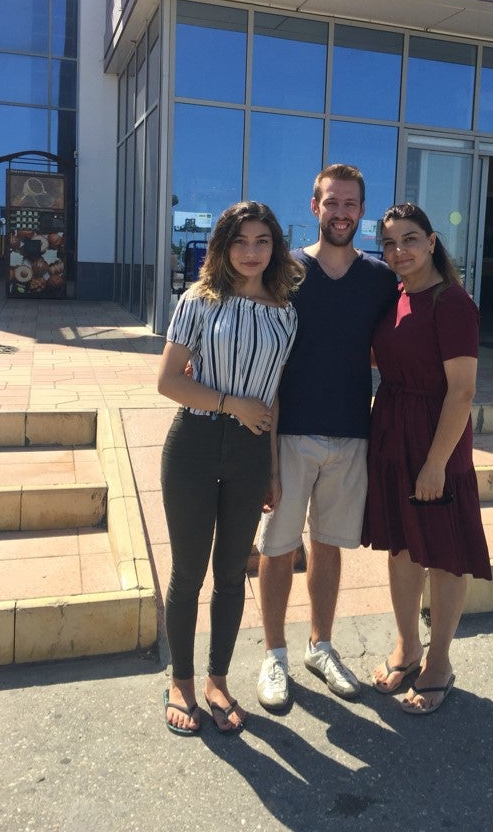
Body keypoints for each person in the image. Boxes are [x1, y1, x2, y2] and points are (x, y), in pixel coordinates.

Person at [255, 164, 398, 712]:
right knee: (277, 547)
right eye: (331, 203)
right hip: (290, 431)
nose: (341, 213)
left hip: (352, 433)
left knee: (331, 545)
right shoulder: (284, 272)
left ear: (362, 211)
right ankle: (274, 655)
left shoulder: (381, 279)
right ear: (313, 206)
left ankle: (321, 646)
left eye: (351, 204)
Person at [157, 201, 303, 735]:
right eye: (240, 241)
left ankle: (218, 679)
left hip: (249, 453)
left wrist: (273, 470)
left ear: (275, 248)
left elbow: (275, 397)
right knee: (188, 571)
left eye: (262, 241)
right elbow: (169, 381)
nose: (250, 252)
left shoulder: (286, 313)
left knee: (231, 574)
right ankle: (181, 681)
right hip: (193, 444)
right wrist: (230, 402)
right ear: (222, 246)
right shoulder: (198, 300)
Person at [362, 203, 492, 716]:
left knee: (441, 553)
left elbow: (462, 391)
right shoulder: (393, 296)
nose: (399, 251)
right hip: (392, 428)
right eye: (390, 243)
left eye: (410, 240)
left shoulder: (452, 302)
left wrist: (437, 463)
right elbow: (385, 355)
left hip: (437, 435)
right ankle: (407, 645)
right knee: (399, 545)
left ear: (432, 242)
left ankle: (439, 661)